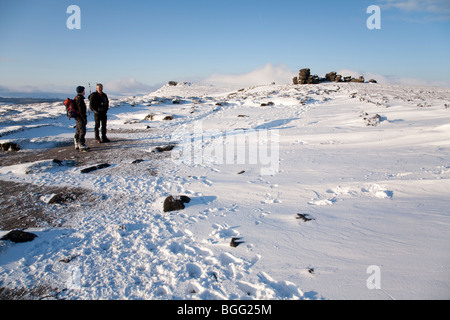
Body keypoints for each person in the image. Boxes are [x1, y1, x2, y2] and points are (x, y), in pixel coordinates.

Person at [73, 86, 88, 151]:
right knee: (82, 130)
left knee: (78, 130)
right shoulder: (79, 99)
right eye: (84, 90)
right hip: (80, 117)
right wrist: (84, 118)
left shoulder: (77, 98)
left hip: (77, 117)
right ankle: (81, 144)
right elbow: (81, 110)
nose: (84, 91)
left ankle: (77, 142)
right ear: (81, 91)